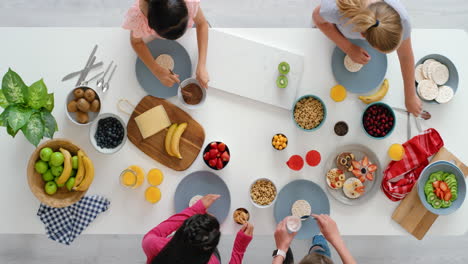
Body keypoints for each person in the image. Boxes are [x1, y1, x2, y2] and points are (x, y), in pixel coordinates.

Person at [313, 0, 422, 116]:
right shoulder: (335, 10)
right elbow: (317, 18)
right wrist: (348, 47)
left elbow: (405, 55)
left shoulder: (402, 20)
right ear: (363, 35)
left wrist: (410, 96)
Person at [142, 194, 253, 264]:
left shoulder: (153, 244)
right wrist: (239, 247)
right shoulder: (212, 262)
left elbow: (155, 233)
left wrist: (195, 209)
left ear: (182, 230)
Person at [123, 0, 210, 88]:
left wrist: (202, 65)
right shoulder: (138, 18)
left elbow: (202, 24)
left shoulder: (190, 2)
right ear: (151, 25)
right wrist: (156, 70)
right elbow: (136, 42)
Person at [272, 214, 356, 264]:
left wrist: (281, 250)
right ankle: (318, 237)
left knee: (318, 247)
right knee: (320, 246)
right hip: (323, 254)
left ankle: (318, 239)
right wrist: (336, 239)